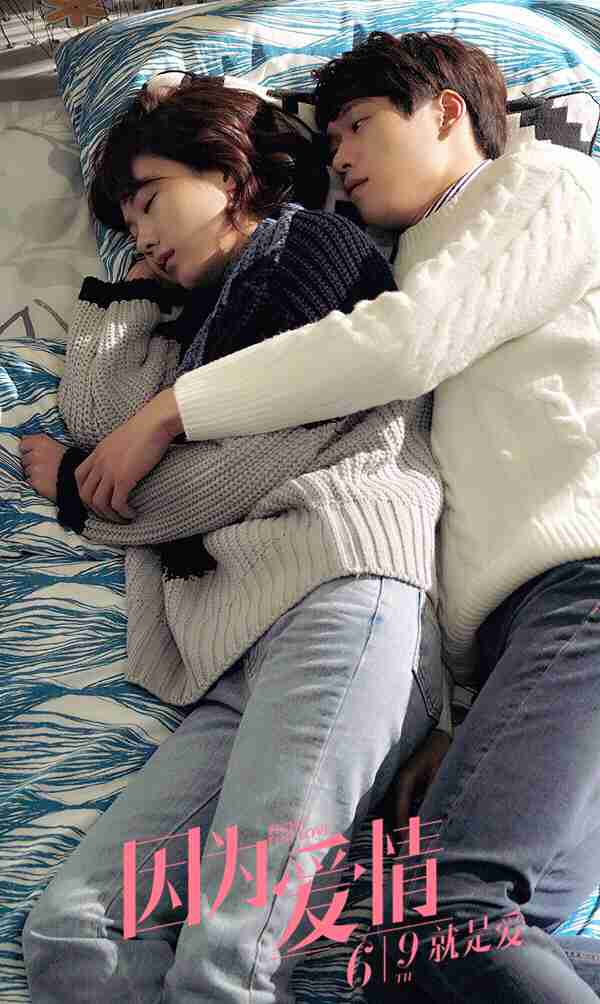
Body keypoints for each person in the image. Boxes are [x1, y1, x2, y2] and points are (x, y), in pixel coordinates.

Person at [31, 30, 600, 1004]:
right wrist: (451, 714)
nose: (341, 152)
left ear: (450, 114)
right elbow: (450, 501)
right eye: (329, 135)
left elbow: (399, 351)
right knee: (99, 929)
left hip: (531, 589)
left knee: (429, 925)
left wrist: (143, 436)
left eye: (360, 126)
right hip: (398, 631)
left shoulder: (528, 188)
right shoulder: (409, 257)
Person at [20, 72, 451, 1004]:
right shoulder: (195, 320)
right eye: (124, 220)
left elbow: (239, 470)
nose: (141, 233)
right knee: (74, 930)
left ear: (228, 173)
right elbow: (98, 424)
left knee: (231, 959)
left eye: (150, 200)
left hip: (345, 602)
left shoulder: (315, 251)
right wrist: (125, 292)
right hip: (234, 646)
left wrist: (75, 490)